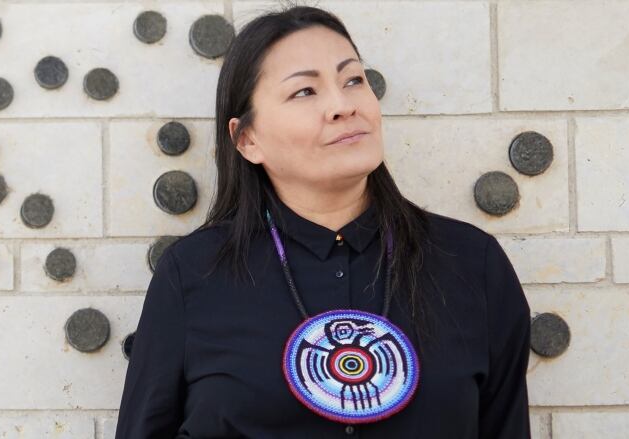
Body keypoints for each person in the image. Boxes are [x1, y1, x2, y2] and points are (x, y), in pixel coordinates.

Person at [115, 5, 531, 438]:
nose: (342, 105)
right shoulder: (193, 273)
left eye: (353, 80)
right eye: (305, 92)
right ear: (248, 139)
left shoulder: (470, 264)